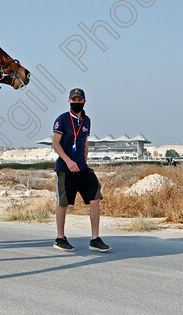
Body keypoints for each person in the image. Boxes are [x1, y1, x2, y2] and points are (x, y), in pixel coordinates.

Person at [51, 88, 111, 252]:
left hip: (82, 168)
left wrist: (84, 161)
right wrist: (69, 161)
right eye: (74, 100)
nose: (76, 102)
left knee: (95, 199)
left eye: (79, 100)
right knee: (63, 204)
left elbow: (84, 142)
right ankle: (60, 238)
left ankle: (95, 239)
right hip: (65, 168)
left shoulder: (87, 121)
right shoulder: (62, 119)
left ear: (84, 101)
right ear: (69, 101)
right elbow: (55, 143)